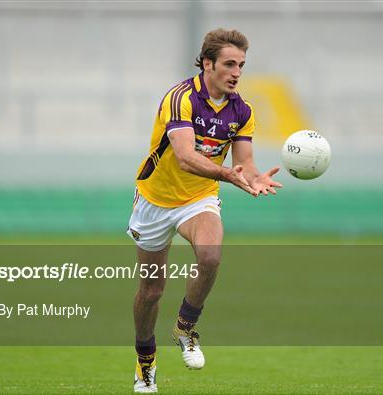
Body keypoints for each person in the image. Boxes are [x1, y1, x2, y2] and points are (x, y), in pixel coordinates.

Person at [127, 28, 282, 393]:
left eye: (241, 65)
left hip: (198, 199)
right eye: (229, 64)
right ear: (208, 63)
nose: (237, 72)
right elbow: (184, 157)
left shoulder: (241, 110)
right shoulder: (181, 98)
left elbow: (244, 161)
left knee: (211, 257)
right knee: (151, 290)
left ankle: (185, 327)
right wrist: (230, 174)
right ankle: (145, 359)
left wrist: (255, 177)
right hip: (154, 200)